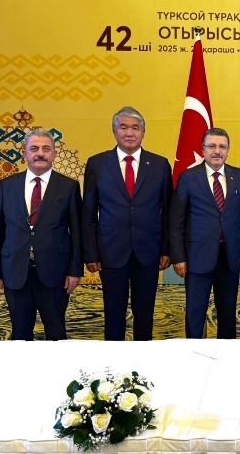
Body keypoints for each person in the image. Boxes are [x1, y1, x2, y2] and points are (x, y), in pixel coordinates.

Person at [82, 106, 172, 341]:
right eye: (123, 127)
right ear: (114, 131)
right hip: (110, 252)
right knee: (113, 314)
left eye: (135, 128)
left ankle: (143, 360)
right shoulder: (97, 164)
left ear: (143, 132)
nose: (130, 133)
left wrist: (166, 249)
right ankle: (115, 361)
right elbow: (88, 214)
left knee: (145, 314)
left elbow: (168, 212)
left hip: (149, 251)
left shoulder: (160, 165)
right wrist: (91, 253)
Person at [0, 129, 82, 340]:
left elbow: (77, 234)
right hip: (15, 272)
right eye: (34, 148)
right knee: (20, 334)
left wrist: (75, 271)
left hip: (55, 273)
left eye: (46, 149)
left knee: (56, 333)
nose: (40, 153)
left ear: (54, 154)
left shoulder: (69, 187)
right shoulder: (7, 186)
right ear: (25, 154)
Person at [170, 128, 240, 338]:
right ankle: (194, 353)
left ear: (228, 150)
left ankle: (225, 355)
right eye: (212, 146)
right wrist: (179, 257)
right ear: (203, 149)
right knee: (195, 314)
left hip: (230, 257)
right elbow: (176, 221)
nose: (217, 151)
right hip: (197, 257)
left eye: (222, 146)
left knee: (227, 313)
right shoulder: (188, 177)